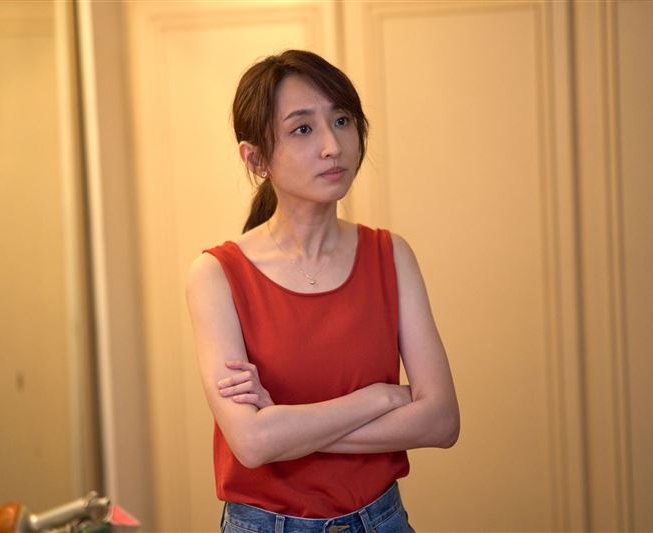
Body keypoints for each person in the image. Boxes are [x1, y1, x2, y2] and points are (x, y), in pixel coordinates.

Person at [186, 49, 459, 533]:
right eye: (303, 129)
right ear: (255, 158)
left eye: (342, 120)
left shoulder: (391, 255)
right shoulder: (216, 275)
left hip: (382, 521)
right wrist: (380, 398)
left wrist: (283, 425)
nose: (333, 145)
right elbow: (251, 444)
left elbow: (441, 421)